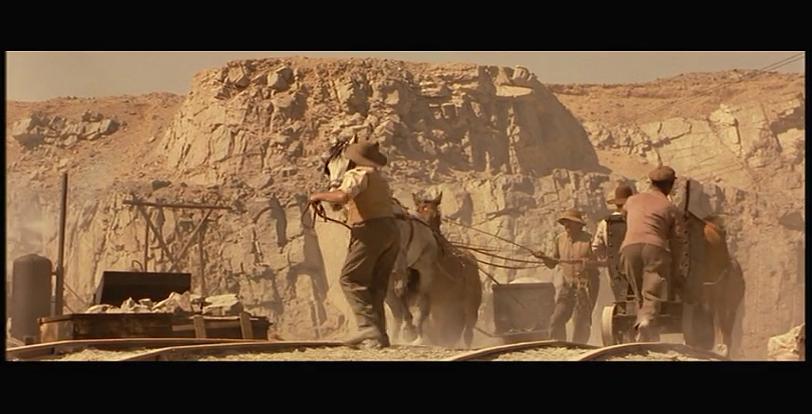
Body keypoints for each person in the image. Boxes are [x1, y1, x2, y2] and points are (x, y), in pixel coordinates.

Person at [308, 141, 400, 349]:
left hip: (369, 230)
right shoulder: (378, 178)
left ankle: (366, 327)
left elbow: (342, 196)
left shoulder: (357, 174)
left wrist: (318, 196)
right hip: (391, 231)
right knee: (376, 285)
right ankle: (379, 336)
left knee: (350, 279)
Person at [619, 166, 686, 342]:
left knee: (639, 292)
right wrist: (675, 267)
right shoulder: (670, 207)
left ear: (651, 182)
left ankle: (645, 331)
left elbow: (623, 216)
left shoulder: (631, 200)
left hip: (629, 248)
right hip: (654, 248)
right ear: (670, 185)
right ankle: (646, 321)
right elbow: (678, 240)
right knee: (652, 290)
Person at [536, 209, 599, 344]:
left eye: (570, 222)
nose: (567, 226)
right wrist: (543, 257)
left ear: (579, 225)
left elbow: (599, 262)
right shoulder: (560, 239)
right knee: (556, 319)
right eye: (565, 223)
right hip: (567, 286)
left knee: (581, 321)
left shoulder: (589, 240)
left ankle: (579, 348)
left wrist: (589, 263)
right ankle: (560, 348)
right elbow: (552, 263)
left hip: (586, 287)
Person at [591, 184, 635, 303]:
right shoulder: (636, 219)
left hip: (614, 270)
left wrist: (606, 258)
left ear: (616, 204)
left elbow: (596, 247)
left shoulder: (604, 223)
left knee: (620, 298)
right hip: (636, 267)